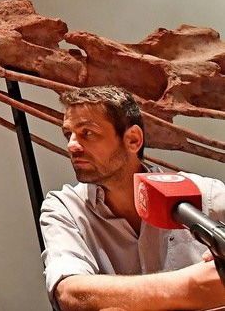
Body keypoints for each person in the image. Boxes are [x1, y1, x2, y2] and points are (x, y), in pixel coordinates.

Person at [40, 85, 225, 311]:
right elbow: (70, 293)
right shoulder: (64, 208)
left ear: (133, 140)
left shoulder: (205, 193)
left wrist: (117, 300)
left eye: (87, 133)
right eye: (68, 134)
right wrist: (196, 285)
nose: (71, 145)